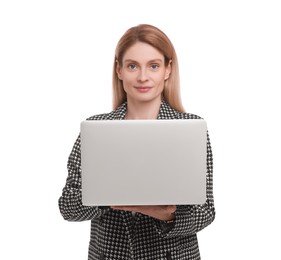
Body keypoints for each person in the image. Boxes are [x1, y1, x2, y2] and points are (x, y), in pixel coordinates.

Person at [59, 24, 215, 260]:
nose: (143, 77)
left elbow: (206, 212)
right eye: (132, 66)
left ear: (167, 70)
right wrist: (108, 198)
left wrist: (164, 214)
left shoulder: (190, 129)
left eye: (153, 66)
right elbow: (68, 207)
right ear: (119, 70)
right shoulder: (96, 130)